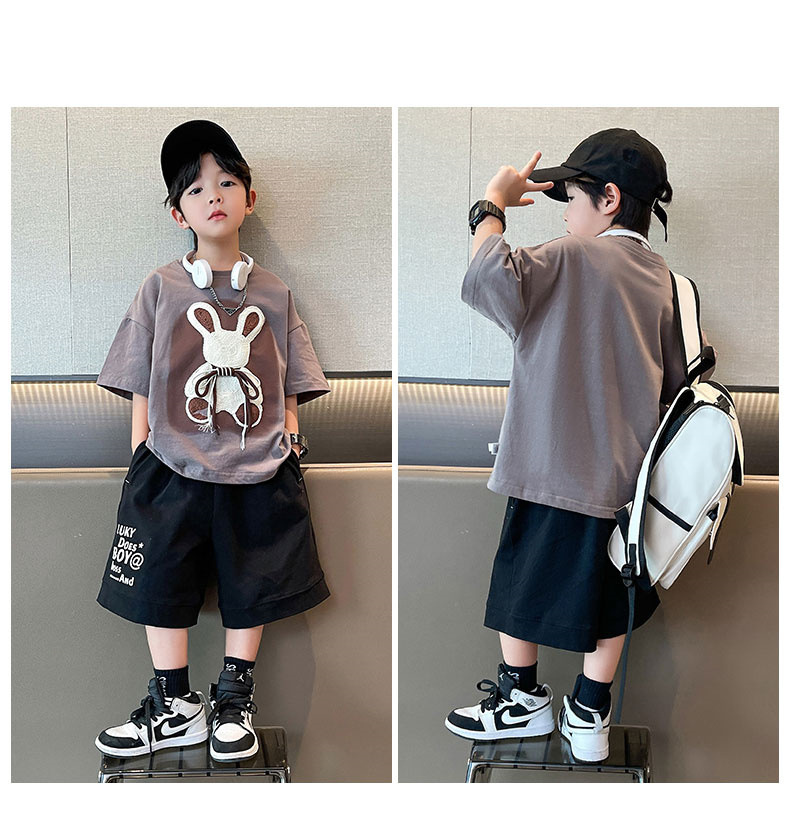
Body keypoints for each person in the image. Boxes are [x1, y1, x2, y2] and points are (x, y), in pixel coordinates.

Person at [445, 129, 716, 763]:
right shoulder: (671, 285)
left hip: (549, 471)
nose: (567, 214)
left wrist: (491, 205)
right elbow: (679, 390)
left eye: (571, 199)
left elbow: (486, 278)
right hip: (628, 488)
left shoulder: (571, 257)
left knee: (520, 587)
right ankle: (590, 713)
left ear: (609, 199)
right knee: (610, 598)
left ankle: (521, 698)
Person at [93, 120, 331, 762]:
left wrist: (291, 441)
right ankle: (174, 705)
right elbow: (139, 376)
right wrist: (141, 452)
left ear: (249, 198)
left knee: (253, 578)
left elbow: (290, 378)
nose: (214, 196)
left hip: (260, 467)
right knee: (157, 580)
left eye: (226, 182)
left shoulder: (274, 293)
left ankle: (234, 698)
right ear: (179, 213)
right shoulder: (161, 287)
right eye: (196, 189)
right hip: (169, 465)